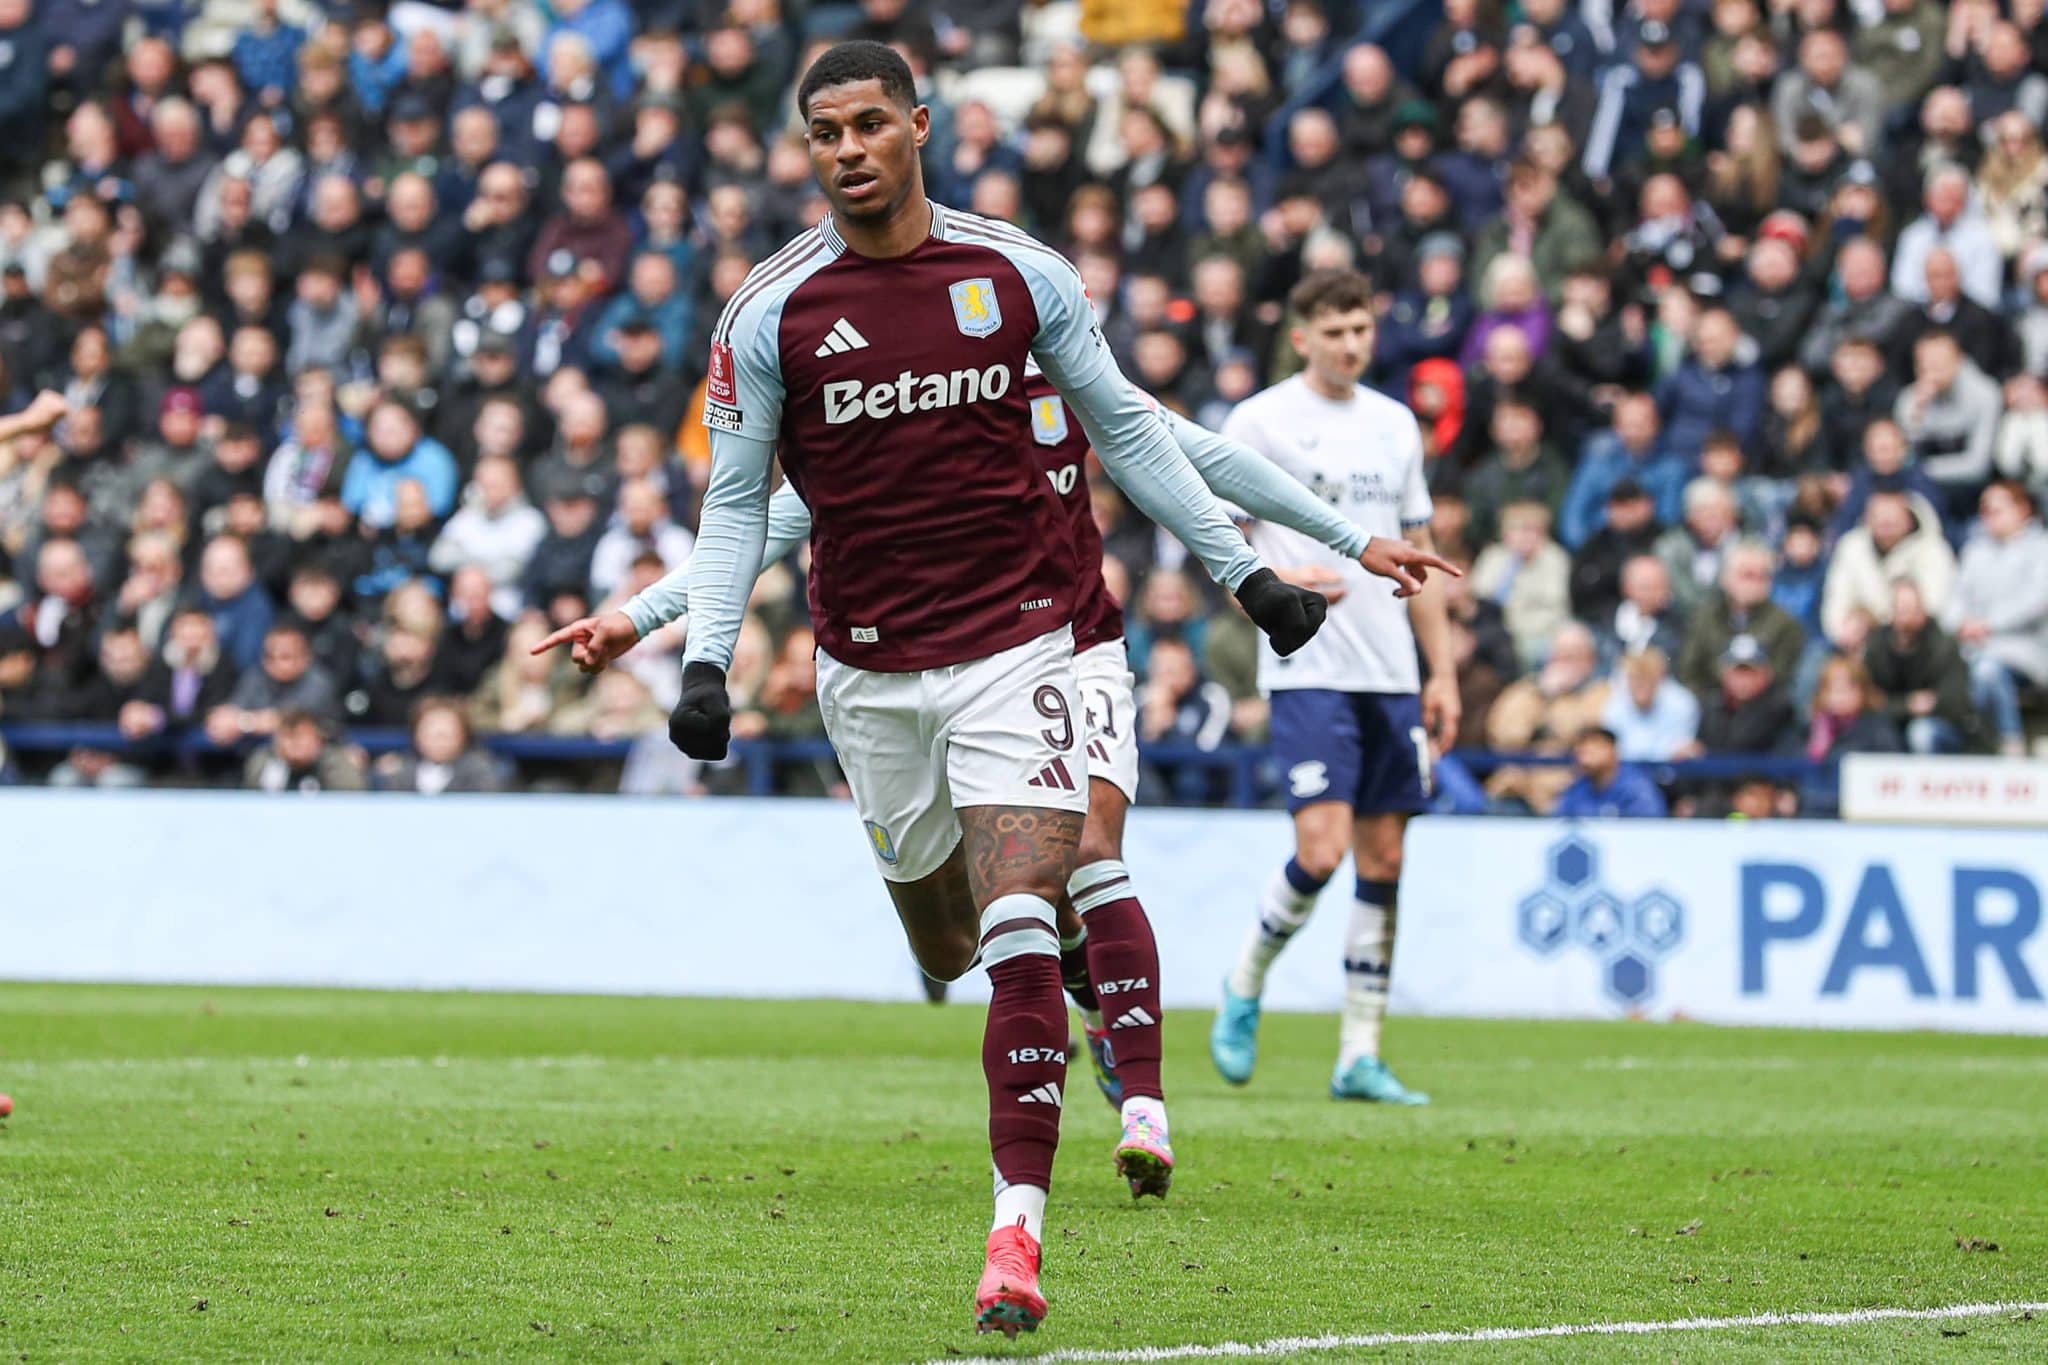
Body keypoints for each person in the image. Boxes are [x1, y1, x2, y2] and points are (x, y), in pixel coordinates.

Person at [519, 43, 1351, 1339]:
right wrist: (690, 653)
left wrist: (1253, 577)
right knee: (948, 942)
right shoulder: (770, 313)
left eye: (868, 126)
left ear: (918, 127)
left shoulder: (1019, 276)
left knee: (1030, 902)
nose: (847, 150)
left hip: (1030, 645)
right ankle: (1075, 989)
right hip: (868, 674)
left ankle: (1017, 1232)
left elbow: (1143, 431)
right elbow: (745, 509)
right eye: (823, 134)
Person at [541, 295, 1453, 1191]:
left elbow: (1200, 455)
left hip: (1073, 645)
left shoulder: (1077, 386)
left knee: (1094, 848)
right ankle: (1084, 987)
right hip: (940, 664)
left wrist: (1350, 541)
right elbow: (776, 516)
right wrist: (642, 614)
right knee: (958, 939)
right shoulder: (930, 399)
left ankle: (1144, 1105)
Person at [1210, 267, 1460, 1111]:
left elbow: (1419, 553)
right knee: (1321, 849)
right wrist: (1283, 575)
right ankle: (1245, 978)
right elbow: (1214, 534)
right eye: (1337, 329)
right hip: (1309, 663)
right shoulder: (1261, 420)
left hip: (1390, 672)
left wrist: (1442, 674)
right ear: (1303, 335)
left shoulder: (1395, 426)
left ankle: (1360, 1051)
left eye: (1363, 328)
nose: (1354, 343)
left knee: (1385, 858)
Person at [1944, 481, 2048, 757]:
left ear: (2023, 510)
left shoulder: (2041, 548)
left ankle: (2009, 742)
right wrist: (1960, 622)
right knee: (1968, 670)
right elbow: (1955, 598)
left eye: (1998, 508)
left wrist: (1987, 624)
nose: (1990, 514)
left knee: (1988, 671)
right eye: (1985, 509)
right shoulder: (1975, 550)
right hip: (1973, 648)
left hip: (2026, 652)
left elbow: (2037, 600)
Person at [1553, 726, 1667, 817]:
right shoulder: (1577, 787)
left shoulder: (1636, 786)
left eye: (1595, 745)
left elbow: (1650, 826)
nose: (1585, 752)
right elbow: (1558, 821)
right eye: (1581, 747)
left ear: (1613, 750)